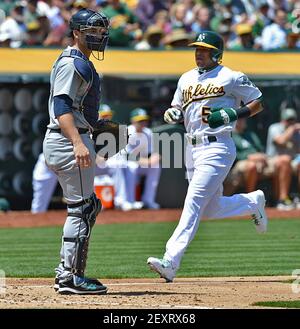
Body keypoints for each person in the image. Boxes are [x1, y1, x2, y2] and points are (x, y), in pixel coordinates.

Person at [147, 31, 268, 282]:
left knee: (193, 201)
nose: (198, 53)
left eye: (204, 49)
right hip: (192, 148)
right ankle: (252, 202)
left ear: (216, 53)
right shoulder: (186, 78)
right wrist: (172, 114)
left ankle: (171, 260)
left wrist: (232, 114)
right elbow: (176, 108)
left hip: (218, 147)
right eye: (197, 49)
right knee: (209, 210)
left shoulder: (230, 76)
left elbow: (258, 103)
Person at [43, 8, 110, 294]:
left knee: (87, 207)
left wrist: (97, 131)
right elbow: (61, 107)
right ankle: (70, 277)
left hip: (69, 138)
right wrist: (78, 142)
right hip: (67, 139)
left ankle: (69, 274)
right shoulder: (72, 63)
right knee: (81, 210)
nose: (99, 36)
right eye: (92, 31)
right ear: (76, 33)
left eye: (102, 31)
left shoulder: (80, 61)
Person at [224, 118, 293, 208]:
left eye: (243, 119)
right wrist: (250, 157)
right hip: (241, 164)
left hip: (260, 162)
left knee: (284, 160)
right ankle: (250, 201)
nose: (244, 121)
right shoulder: (230, 135)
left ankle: (282, 200)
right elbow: (234, 155)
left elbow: (260, 149)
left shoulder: (250, 134)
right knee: (251, 166)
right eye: (241, 119)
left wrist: (261, 157)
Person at [125, 108, 161, 209]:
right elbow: (126, 156)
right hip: (125, 165)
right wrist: (147, 161)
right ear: (133, 121)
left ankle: (148, 200)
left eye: (144, 120)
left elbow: (151, 152)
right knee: (132, 166)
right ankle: (129, 201)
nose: (143, 123)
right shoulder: (128, 131)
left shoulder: (148, 132)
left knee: (156, 166)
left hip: (142, 163)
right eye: (140, 121)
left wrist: (155, 157)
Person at [266, 107, 300, 209]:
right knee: (284, 160)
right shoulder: (275, 127)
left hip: (292, 160)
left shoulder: (297, 132)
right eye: (288, 120)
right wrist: (291, 129)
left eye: (292, 120)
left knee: (290, 160)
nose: (290, 122)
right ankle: (282, 199)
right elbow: (281, 141)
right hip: (273, 160)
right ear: (282, 120)